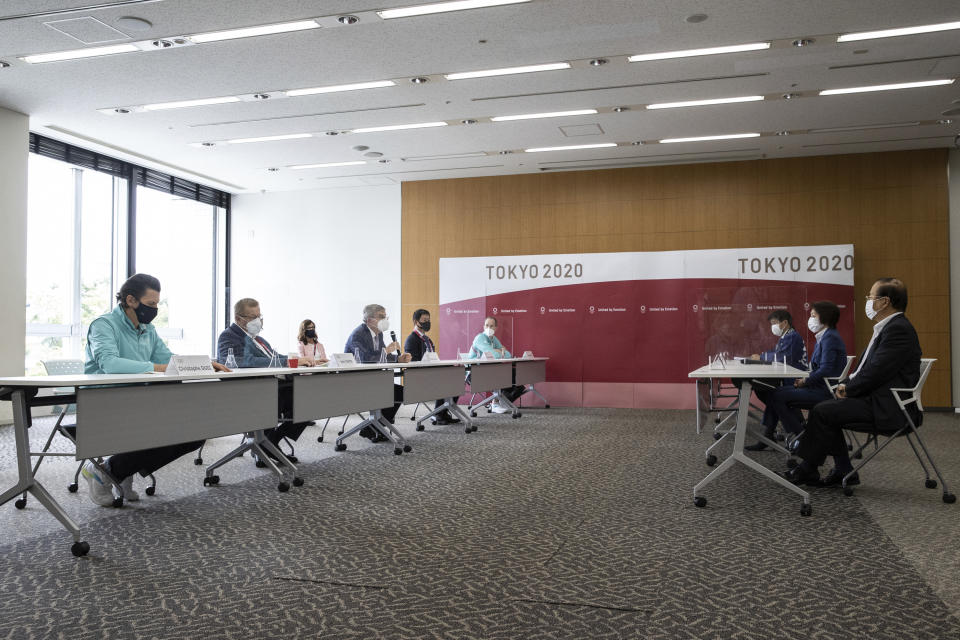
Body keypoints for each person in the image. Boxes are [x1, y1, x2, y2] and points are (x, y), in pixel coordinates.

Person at [81, 273, 229, 506]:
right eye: (151, 304)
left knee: (193, 433)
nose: (154, 309)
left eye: (157, 304)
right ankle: (108, 471)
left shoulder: (147, 329)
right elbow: (109, 363)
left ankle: (116, 469)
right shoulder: (104, 325)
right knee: (163, 426)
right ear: (131, 300)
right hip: (106, 399)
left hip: (143, 398)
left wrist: (201, 363)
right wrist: (159, 367)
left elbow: (167, 358)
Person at [786, 278, 921, 487]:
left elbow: (876, 372)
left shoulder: (898, 329)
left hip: (889, 408)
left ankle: (814, 469)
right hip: (876, 400)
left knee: (824, 411)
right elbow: (865, 370)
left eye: (870, 297)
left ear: (884, 302)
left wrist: (848, 389)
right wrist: (846, 384)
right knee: (825, 409)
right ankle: (835, 469)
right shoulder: (888, 327)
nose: (868, 301)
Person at [217, 298, 309, 463]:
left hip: (275, 387)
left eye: (259, 316)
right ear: (238, 319)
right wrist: (286, 362)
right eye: (253, 317)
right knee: (303, 398)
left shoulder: (258, 339)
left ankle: (272, 440)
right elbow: (243, 361)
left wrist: (297, 359)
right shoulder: (228, 336)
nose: (258, 321)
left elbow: (276, 357)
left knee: (311, 398)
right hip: (253, 391)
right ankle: (266, 443)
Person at [766, 301, 847, 438]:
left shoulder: (830, 338)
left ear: (825, 317)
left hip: (824, 390)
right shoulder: (824, 336)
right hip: (818, 386)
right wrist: (805, 379)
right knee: (775, 392)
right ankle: (780, 432)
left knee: (776, 395)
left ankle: (802, 436)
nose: (810, 319)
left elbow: (825, 369)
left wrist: (806, 380)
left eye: (813, 315)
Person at [344, 304, 412, 441]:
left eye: (385, 316)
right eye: (381, 317)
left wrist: (398, 359)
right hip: (356, 381)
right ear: (369, 320)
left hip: (373, 379)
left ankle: (372, 428)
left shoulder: (378, 333)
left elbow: (382, 357)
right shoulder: (357, 335)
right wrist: (387, 350)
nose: (385, 319)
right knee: (391, 392)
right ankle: (372, 428)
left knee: (400, 392)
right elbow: (365, 360)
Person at [743, 309, 808, 451]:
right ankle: (770, 435)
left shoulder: (791, 337)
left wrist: (760, 358)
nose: (772, 327)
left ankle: (797, 431)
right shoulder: (787, 336)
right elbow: (775, 352)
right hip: (788, 376)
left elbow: (780, 358)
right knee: (767, 392)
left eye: (774, 323)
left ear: (784, 322)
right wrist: (761, 356)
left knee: (770, 394)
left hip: (794, 378)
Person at [404, 308, 460, 425]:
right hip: (420, 377)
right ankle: (438, 414)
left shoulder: (427, 339)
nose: (427, 322)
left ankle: (443, 412)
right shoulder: (411, 339)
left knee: (456, 375)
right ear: (415, 321)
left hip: (431, 373)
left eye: (428, 320)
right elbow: (412, 363)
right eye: (424, 320)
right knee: (446, 379)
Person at [468, 316, 524, 414]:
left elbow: (508, 355)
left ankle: (499, 402)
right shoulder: (480, 338)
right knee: (503, 375)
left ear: (496, 328)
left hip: (490, 370)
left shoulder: (494, 339)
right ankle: (496, 402)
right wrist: (499, 350)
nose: (488, 328)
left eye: (491, 326)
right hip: (475, 372)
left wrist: (498, 351)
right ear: (483, 326)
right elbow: (495, 354)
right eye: (486, 325)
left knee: (518, 379)